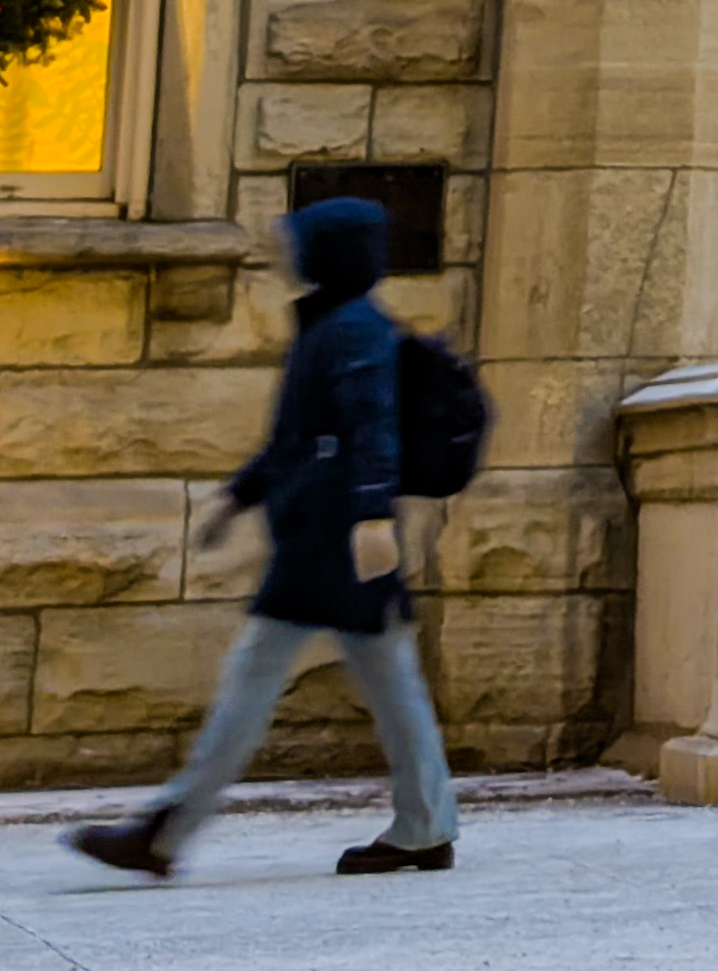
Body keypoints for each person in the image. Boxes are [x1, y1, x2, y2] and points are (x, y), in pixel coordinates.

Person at [72, 196, 462, 881]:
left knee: (257, 676)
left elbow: (372, 428)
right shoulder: (335, 324)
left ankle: (168, 830)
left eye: (301, 244)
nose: (289, 254)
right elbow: (296, 439)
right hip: (330, 531)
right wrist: (241, 492)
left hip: (332, 538)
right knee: (389, 680)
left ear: (329, 254)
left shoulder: (351, 329)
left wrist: (370, 516)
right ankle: (425, 825)